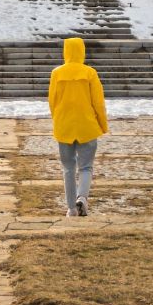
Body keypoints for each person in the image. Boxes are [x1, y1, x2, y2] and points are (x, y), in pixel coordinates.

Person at [48, 35, 108, 218]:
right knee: (86, 167)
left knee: (68, 168)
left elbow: (52, 101)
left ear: (66, 52)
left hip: (64, 126)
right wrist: (102, 124)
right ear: (82, 51)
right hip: (87, 126)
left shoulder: (57, 73)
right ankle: (82, 197)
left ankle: (71, 208)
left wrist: (57, 120)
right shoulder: (90, 72)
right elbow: (98, 102)